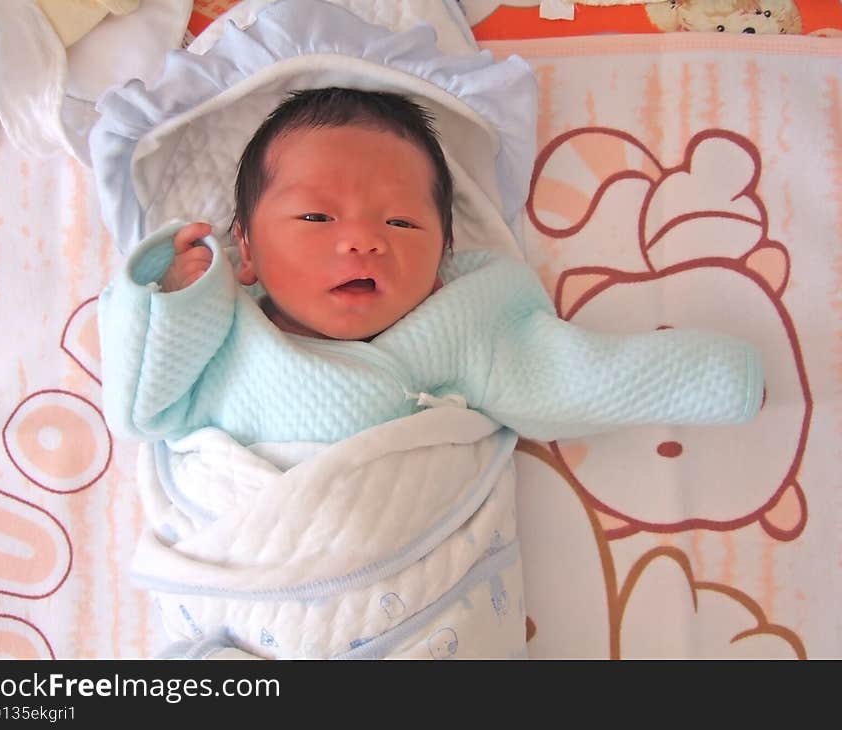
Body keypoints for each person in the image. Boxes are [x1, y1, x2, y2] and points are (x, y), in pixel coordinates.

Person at [98, 87, 764, 658]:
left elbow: (580, 377)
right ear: (243, 247)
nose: (361, 238)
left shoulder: (458, 327)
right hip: (241, 612)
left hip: (407, 622)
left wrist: (719, 376)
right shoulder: (218, 333)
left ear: (444, 254)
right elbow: (140, 407)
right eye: (315, 216)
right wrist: (175, 298)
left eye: (400, 219)